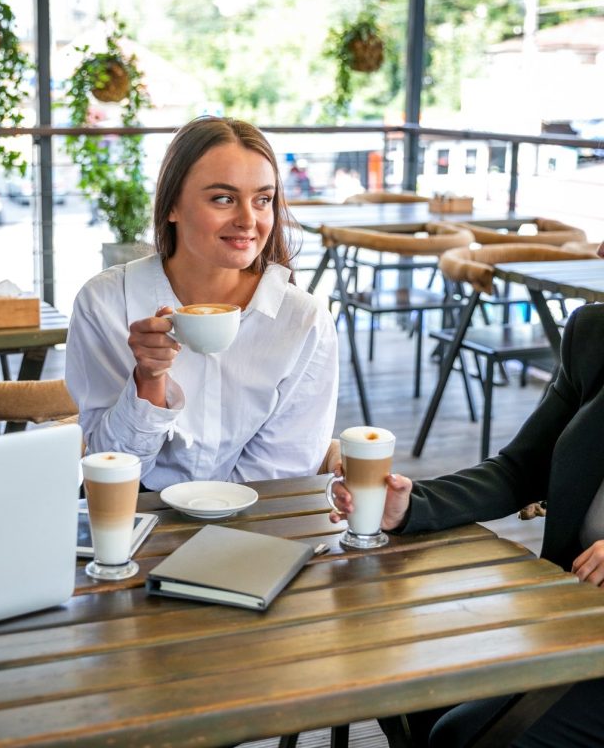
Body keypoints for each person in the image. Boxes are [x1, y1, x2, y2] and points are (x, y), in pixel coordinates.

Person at [328, 300, 604, 746]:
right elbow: (519, 469)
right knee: (404, 680)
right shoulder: (595, 334)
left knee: (461, 733)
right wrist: (409, 506)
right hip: (571, 613)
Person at [66, 116, 338, 490]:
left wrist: (212, 517)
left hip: (255, 516)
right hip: (132, 511)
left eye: (263, 200)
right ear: (172, 206)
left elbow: (280, 473)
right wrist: (148, 381)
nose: (248, 220)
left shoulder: (303, 321)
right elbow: (111, 470)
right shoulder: (104, 304)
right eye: (223, 199)